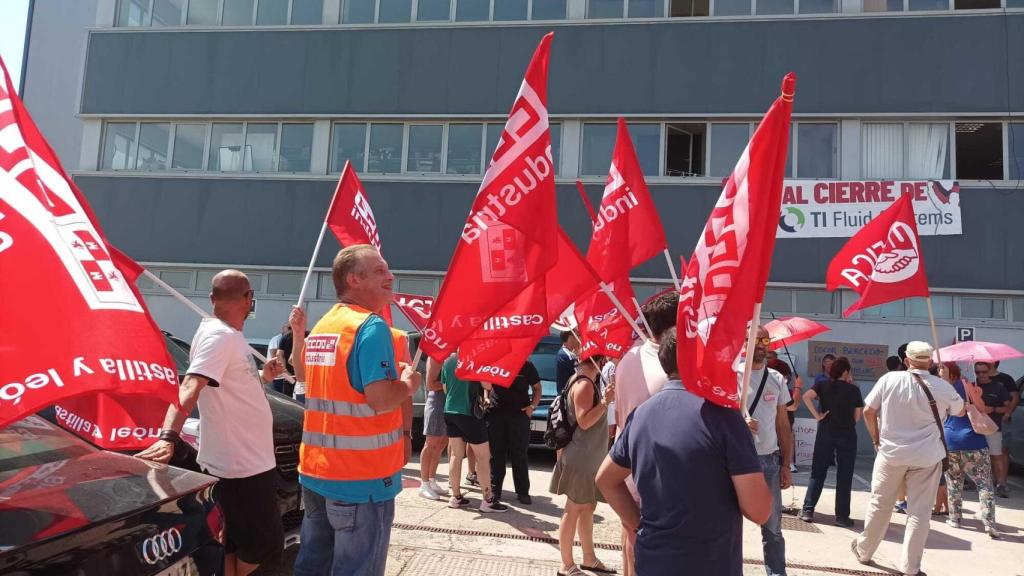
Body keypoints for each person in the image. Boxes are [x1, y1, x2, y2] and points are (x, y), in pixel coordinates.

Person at [137, 270, 285, 576]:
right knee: (266, 545)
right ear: (249, 299)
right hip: (243, 469)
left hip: (243, 465)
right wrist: (168, 436)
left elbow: (227, 386)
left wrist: (264, 377)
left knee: (231, 545)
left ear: (211, 299)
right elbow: (190, 386)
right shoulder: (220, 337)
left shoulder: (225, 335)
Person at [596, 328, 771, 576]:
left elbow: (605, 479)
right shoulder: (724, 419)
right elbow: (760, 511)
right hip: (709, 564)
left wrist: (638, 525)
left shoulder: (642, 414)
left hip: (652, 560)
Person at [292, 245, 421, 576]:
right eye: (379, 270)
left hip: (317, 472)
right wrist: (407, 383)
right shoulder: (371, 327)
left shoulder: (324, 326)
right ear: (353, 279)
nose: (390, 276)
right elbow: (381, 399)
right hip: (361, 479)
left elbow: (303, 377)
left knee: (313, 563)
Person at [852, 341, 968, 576]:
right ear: (931, 362)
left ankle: (864, 551)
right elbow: (961, 411)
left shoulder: (889, 379)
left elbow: (868, 411)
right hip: (927, 456)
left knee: (880, 503)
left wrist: (876, 440)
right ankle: (911, 567)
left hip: (891, 453)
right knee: (919, 512)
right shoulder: (941, 386)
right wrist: (945, 384)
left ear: (906, 360)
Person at [612, 291, 678, 576]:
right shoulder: (667, 371)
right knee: (646, 548)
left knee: (630, 540)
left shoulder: (630, 357)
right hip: (653, 470)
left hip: (626, 466)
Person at [551, 353, 616, 576]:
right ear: (598, 362)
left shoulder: (581, 379)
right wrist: (606, 402)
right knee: (574, 508)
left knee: (588, 506)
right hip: (581, 456)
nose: (606, 364)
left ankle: (589, 558)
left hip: (588, 456)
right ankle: (566, 564)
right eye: (604, 360)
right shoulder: (584, 385)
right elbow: (584, 421)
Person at [738, 325, 793, 576]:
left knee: (772, 526)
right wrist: (739, 422)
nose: (761, 344)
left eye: (765, 339)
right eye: (754, 339)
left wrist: (785, 464)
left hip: (769, 460)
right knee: (728, 525)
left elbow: (783, 424)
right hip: (735, 461)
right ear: (743, 343)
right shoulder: (731, 375)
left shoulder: (777, 378)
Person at [799, 356, 863, 527]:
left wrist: (818, 416)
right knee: (845, 475)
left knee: (817, 472)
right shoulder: (854, 390)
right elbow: (858, 416)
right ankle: (842, 517)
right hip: (847, 434)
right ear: (846, 372)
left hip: (826, 431)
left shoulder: (823, 385)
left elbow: (806, 396)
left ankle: (808, 510)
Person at [441, 352, 507, 512]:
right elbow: (488, 385)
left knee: (456, 455)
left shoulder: (448, 361)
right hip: (469, 413)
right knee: (484, 457)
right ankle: (488, 500)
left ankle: (455, 497)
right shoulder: (476, 359)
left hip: (450, 410)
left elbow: (445, 388)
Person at [943, 363, 1000, 539]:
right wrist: (977, 395)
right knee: (984, 483)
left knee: (954, 481)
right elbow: (982, 408)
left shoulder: (940, 389)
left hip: (950, 440)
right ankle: (989, 522)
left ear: (948, 373)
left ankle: (955, 518)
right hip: (973, 440)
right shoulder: (966, 384)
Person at [488, 360, 542, 505]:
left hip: (519, 416)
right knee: (496, 454)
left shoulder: (527, 365)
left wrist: (532, 406)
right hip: (496, 414)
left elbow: (537, 388)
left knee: (519, 454)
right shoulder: (495, 362)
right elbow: (485, 385)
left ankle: (523, 492)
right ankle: (495, 491)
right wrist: (486, 396)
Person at [419, 356, 450, 500]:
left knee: (440, 445)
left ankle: (431, 480)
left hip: (448, 403)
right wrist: (452, 383)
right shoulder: (436, 357)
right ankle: (424, 484)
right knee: (431, 445)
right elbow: (430, 385)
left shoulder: (451, 354)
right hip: (437, 404)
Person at [988, 361, 1018, 497]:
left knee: (1002, 451)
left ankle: (1002, 483)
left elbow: (1015, 397)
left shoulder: (1005, 379)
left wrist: (1008, 413)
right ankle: (991, 481)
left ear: (994, 362)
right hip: (985, 422)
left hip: (1002, 420)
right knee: (987, 452)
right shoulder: (979, 380)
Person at [268, 322, 291, 394]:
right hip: (277, 376)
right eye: (289, 328)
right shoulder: (277, 339)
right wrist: (287, 372)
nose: (291, 330)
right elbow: (274, 356)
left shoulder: (288, 339)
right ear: (283, 328)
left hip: (284, 376)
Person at [556, 330, 580, 395]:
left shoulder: (563, 352)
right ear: (570, 338)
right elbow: (581, 375)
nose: (580, 338)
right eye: (578, 335)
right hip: (567, 396)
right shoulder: (569, 356)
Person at [602, 358, 618, 446]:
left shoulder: (607, 365)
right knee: (609, 432)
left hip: (606, 400)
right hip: (611, 403)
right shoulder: (612, 366)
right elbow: (613, 384)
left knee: (607, 432)